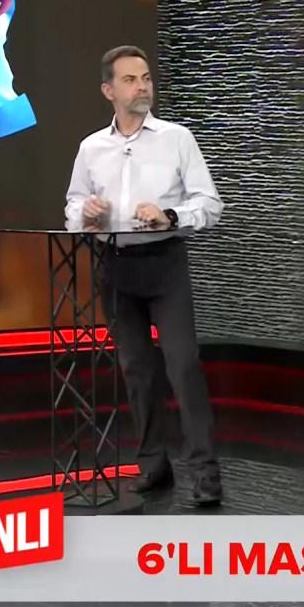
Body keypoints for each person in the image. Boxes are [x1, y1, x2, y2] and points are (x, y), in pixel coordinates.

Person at [64, 45, 225, 506]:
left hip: (164, 263)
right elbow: (72, 205)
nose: (142, 87)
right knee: (136, 369)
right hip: (115, 265)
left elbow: (210, 204)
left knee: (183, 365)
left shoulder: (177, 138)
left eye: (146, 78)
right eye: (131, 80)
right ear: (108, 90)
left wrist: (170, 215)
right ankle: (153, 465)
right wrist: (86, 213)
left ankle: (205, 472)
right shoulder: (91, 147)